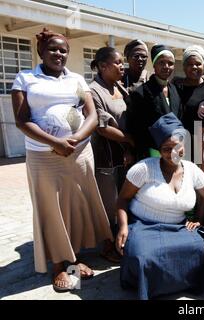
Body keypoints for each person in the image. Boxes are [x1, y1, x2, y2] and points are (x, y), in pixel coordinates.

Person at [11, 28, 113, 292]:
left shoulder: (76, 80)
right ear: (41, 52)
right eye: (53, 49)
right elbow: (22, 120)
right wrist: (54, 142)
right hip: (45, 156)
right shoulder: (25, 78)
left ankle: (74, 259)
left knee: (75, 205)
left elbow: (91, 115)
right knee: (51, 208)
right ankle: (58, 265)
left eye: (63, 50)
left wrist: (76, 138)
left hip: (79, 152)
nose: (59, 54)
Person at [117, 113, 204, 299]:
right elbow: (122, 200)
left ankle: (177, 284)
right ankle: (151, 286)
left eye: (177, 147)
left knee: (203, 247)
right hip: (144, 226)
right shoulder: (144, 168)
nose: (173, 153)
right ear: (159, 150)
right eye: (166, 149)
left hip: (177, 227)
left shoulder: (192, 170)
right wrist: (123, 227)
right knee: (144, 256)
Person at [89, 47, 134, 257]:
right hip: (106, 155)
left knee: (123, 198)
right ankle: (108, 244)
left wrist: (128, 147)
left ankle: (121, 240)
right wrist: (129, 140)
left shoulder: (119, 87)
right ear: (103, 66)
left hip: (125, 153)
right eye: (117, 62)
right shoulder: (93, 91)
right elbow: (101, 126)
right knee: (108, 201)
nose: (122, 66)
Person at [126, 44, 182, 160]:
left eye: (170, 63)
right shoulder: (140, 93)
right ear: (154, 65)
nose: (166, 66)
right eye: (162, 62)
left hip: (175, 149)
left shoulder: (175, 90)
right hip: (152, 152)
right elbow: (135, 129)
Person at [173, 45, 204, 136]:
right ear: (184, 67)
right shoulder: (176, 85)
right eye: (190, 64)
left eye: (198, 64)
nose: (194, 67)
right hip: (184, 141)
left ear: (203, 66)